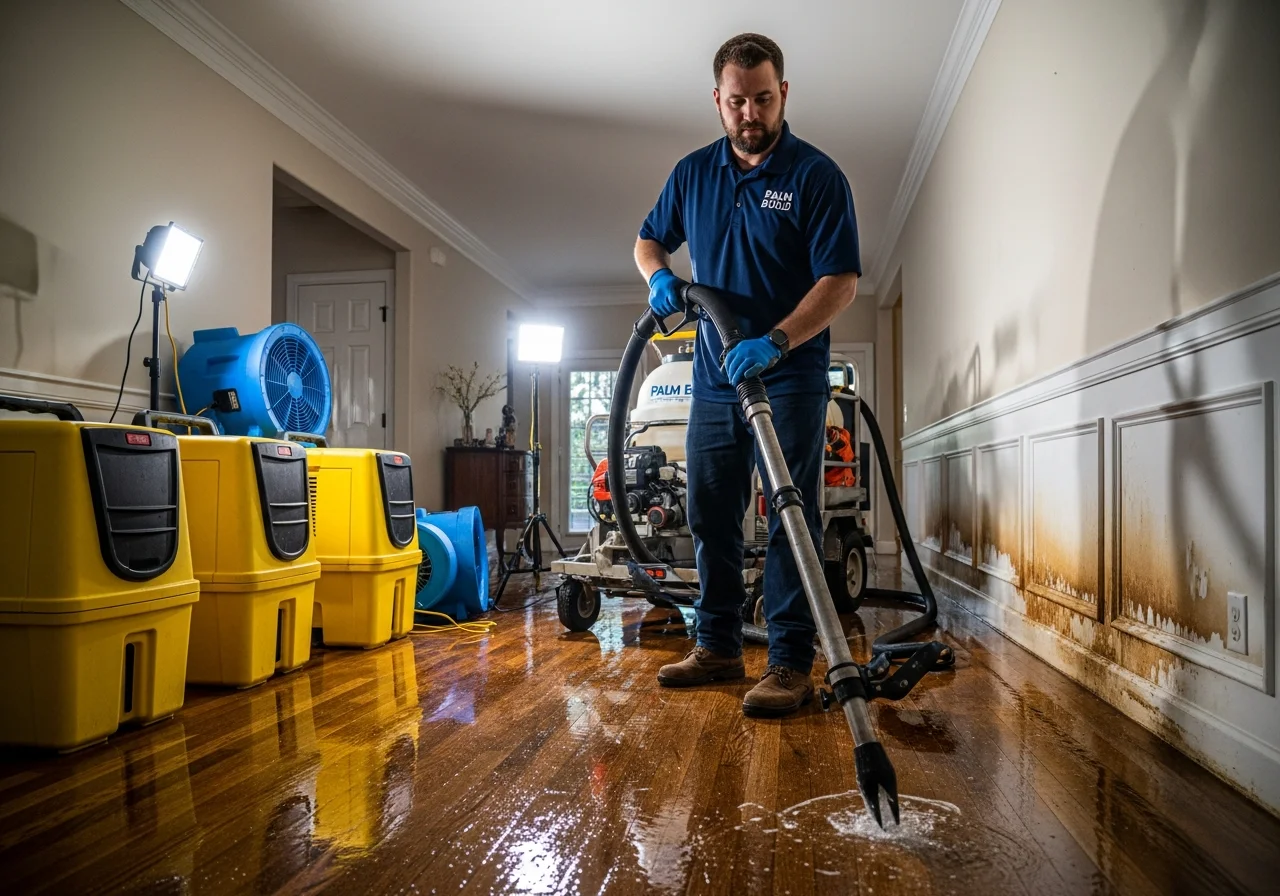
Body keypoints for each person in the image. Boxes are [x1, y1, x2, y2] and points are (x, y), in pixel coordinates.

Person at [633, 32, 862, 717]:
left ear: (783, 93)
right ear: (718, 100)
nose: (750, 114)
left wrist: (780, 339)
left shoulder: (816, 176)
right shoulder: (693, 173)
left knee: (790, 514)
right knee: (710, 511)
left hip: (786, 373)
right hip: (712, 376)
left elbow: (841, 281)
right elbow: (648, 238)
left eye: (763, 98)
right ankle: (720, 645)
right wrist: (659, 277)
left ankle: (791, 660)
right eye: (737, 102)